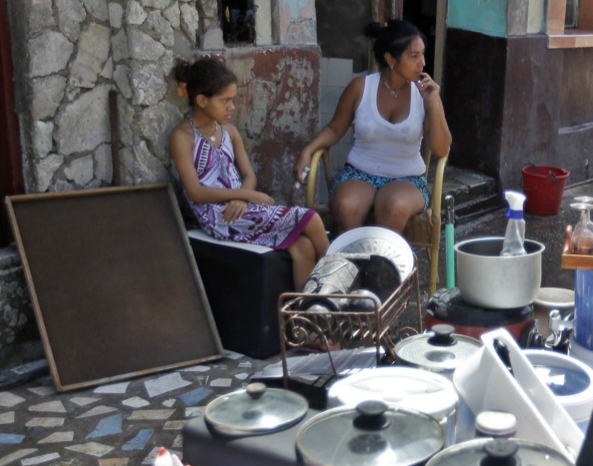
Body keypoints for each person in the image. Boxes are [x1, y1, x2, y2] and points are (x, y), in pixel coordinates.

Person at [169, 58, 329, 289]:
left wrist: (242, 196)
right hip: (219, 216)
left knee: (302, 246)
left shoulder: (230, 132)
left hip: (241, 206)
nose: (231, 107)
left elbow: (249, 175)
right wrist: (249, 196)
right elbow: (194, 191)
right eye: (225, 101)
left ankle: (307, 317)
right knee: (312, 219)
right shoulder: (183, 137)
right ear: (202, 100)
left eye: (232, 100)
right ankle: (337, 285)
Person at [294, 20, 452, 234]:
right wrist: (307, 151)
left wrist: (435, 103)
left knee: (394, 207)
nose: (422, 63)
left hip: (408, 178)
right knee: (345, 206)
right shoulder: (360, 88)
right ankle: (350, 263)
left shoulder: (425, 94)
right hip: (360, 173)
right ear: (390, 59)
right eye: (413, 56)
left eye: (423, 54)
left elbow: (441, 149)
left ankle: (383, 265)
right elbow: (334, 129)